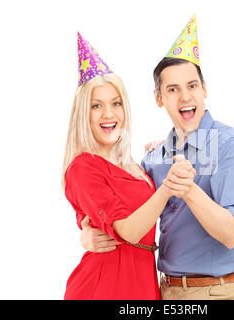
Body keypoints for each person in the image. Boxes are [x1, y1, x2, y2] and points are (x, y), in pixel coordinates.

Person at [80, 15, 234, 300]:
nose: (185, 97)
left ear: (204, 89)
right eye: (172, 90)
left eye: (191, 86)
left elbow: (232, 234)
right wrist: (87, 236)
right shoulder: (155, 158)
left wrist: (187, 189)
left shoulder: (231, 147)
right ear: (158, 98)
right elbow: (128, 217)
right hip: (164, 291)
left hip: (218, 292)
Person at [62, 33, 196, 300]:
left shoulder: (133, 166)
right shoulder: (82, 169)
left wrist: (166, 149)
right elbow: (126, 229)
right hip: (104, 288)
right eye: (96, 106)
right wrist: (167, 188)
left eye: (116, 103)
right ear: (82, 114)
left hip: (142, 286)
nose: (109, 114)